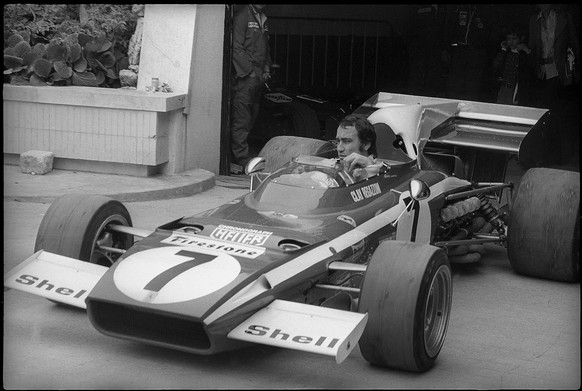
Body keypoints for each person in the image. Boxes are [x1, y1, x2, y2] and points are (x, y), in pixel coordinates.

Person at [528, 4, 579, 165]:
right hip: (540, 72)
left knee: (557, 115)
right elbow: (533, 46)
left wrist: (575, 72)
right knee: (541, 115)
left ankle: (557, 157)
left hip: (558, 72)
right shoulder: (534, 20)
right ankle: (541, 156)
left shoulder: (563, 17)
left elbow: (574, 44)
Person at [230, 4, 273, 174]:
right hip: (247, 76)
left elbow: (265, 45)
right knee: (242, 118)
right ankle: (241, 159)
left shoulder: (261, 16)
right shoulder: (243, 15)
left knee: (251, 116)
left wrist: (267, 68)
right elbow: (236, 46)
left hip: (259, 74)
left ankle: (243, 156)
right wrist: (248, 72)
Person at [442, 4, 498, 101]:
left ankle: (469, 110)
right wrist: (445, 48)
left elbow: (492, 35)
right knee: (454, 84)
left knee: (473, 85)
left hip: (477, 52)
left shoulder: (487, 11)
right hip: (460, 50)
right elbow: (450, 28)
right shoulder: (460, 8)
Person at [406, 4, 448, 97]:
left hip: (436, 49)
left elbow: (446, 28)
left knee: (433, 77)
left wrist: (444, 48)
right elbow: (410, 25)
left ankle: (429, 99)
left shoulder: (443, 8)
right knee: (416, 76)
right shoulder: (419, 7)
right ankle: (412, 100)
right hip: (419, 48)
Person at [492, 25, 533, 105]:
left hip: (516, 89)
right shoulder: (506, 52)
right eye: (509, 39)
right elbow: (496, 65)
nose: (511, 42)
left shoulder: (523, 55)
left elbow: (531, 68)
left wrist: (527, 51)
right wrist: (503, 49)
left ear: (521, 39)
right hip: (503, 87)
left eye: (514, 39)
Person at [335, 114, 385, 181]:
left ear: (365, 144)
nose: (339, 148)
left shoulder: (383, 171)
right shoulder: (333, 164)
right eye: (337, 141)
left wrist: (369, 167)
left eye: (346, 141)